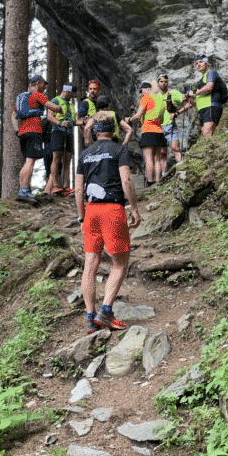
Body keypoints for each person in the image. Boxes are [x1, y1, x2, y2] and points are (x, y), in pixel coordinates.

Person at [75, 111, 141, 333]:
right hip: (112, 209)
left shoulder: (85, 154)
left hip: (91, 211)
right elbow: (126, 179)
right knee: (119, 263)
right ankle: (105, 312)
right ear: (113, 130)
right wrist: (134, 208)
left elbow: (78, 189)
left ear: (95, 132)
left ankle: (89, 318)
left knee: (90, 265)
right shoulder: (119, 149)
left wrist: (82, 216)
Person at [12, 75, 64, 204]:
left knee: (27, 161)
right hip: (34, 131)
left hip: (23, 132)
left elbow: (13, 115)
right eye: (44, 85)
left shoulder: (21, 97)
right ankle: (23, 190)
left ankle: (24, 190)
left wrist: (16, 130)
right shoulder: (36, 95)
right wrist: (59, 108)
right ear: (39, 83)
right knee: (30, 161)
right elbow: (51, 106)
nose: (45, 87)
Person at [129, 82, 165, 187]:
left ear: (148, 89)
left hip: (148, 130)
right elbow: (162, 119)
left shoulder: (146, 98)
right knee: (157, 159)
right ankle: (158, 182)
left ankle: (149, 182)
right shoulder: (160, 100)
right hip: (159, 131)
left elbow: (138, 115)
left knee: (148, 158)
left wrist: (129, 119)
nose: (141, 93)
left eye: (142, 91)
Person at [155, 73, 189, 175]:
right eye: (161, 81)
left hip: (170, 125)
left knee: (175, 148)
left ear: (168, 82)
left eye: (165, 81)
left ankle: (184, 172)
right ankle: (163, 176)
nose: (164, 83)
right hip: (158, 127)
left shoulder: (173, 93)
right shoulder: (155, 96)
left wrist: (177, 113)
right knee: (162, 153)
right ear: (158, 83)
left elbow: (189, 103)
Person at [46, 83, 76, 195]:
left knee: (68, 159)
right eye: (72, 94)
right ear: (67, 91)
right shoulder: (55, 101)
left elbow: (74, 121)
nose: (73, 96)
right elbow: (49, 116)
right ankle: (55, 186)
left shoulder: (71, 105)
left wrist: (83, 121)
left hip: (69, 133)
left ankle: (66, 187)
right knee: (57, 157)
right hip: (57, 131)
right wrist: (60, 123)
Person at [187, 54, 224, 137]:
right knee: (205, 132)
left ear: (206, 63)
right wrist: (189, 99)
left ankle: (212, 149)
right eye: (196, 63)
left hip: (211, 106)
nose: (198, 64)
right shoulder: (201, 81)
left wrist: (195, 93)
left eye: (201, 62)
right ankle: (212, 149)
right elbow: (196, 102)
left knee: (207, 131)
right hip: (203, 109)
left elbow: (209, 87)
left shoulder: (211, 73)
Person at [76, 80, 101, 147]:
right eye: (90, 89)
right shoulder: (85, 103)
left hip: (100, 137)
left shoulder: (101, 103)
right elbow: (81, 122)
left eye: (94, 89)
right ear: (88, 90)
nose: (92, 91)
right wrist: (87, 138)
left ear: (98, 90)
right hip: (89, 136)